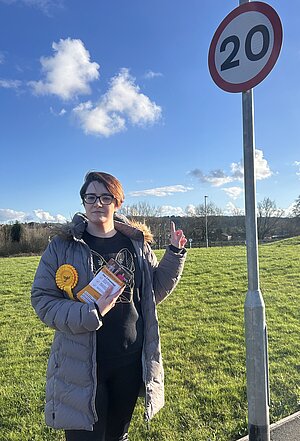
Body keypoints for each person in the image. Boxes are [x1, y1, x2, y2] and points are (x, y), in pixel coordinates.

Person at [31, 171, 187, 441]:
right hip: (82, 363)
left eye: (105, 197)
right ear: (83, 202)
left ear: (117, 203)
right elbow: (43, 301)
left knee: (118, 435)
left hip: (129, 359)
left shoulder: (136, 243)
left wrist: (174, 254)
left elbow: (152, 292)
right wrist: (90, 312)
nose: (97, 203)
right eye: (90, 197)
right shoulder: (62, 247)